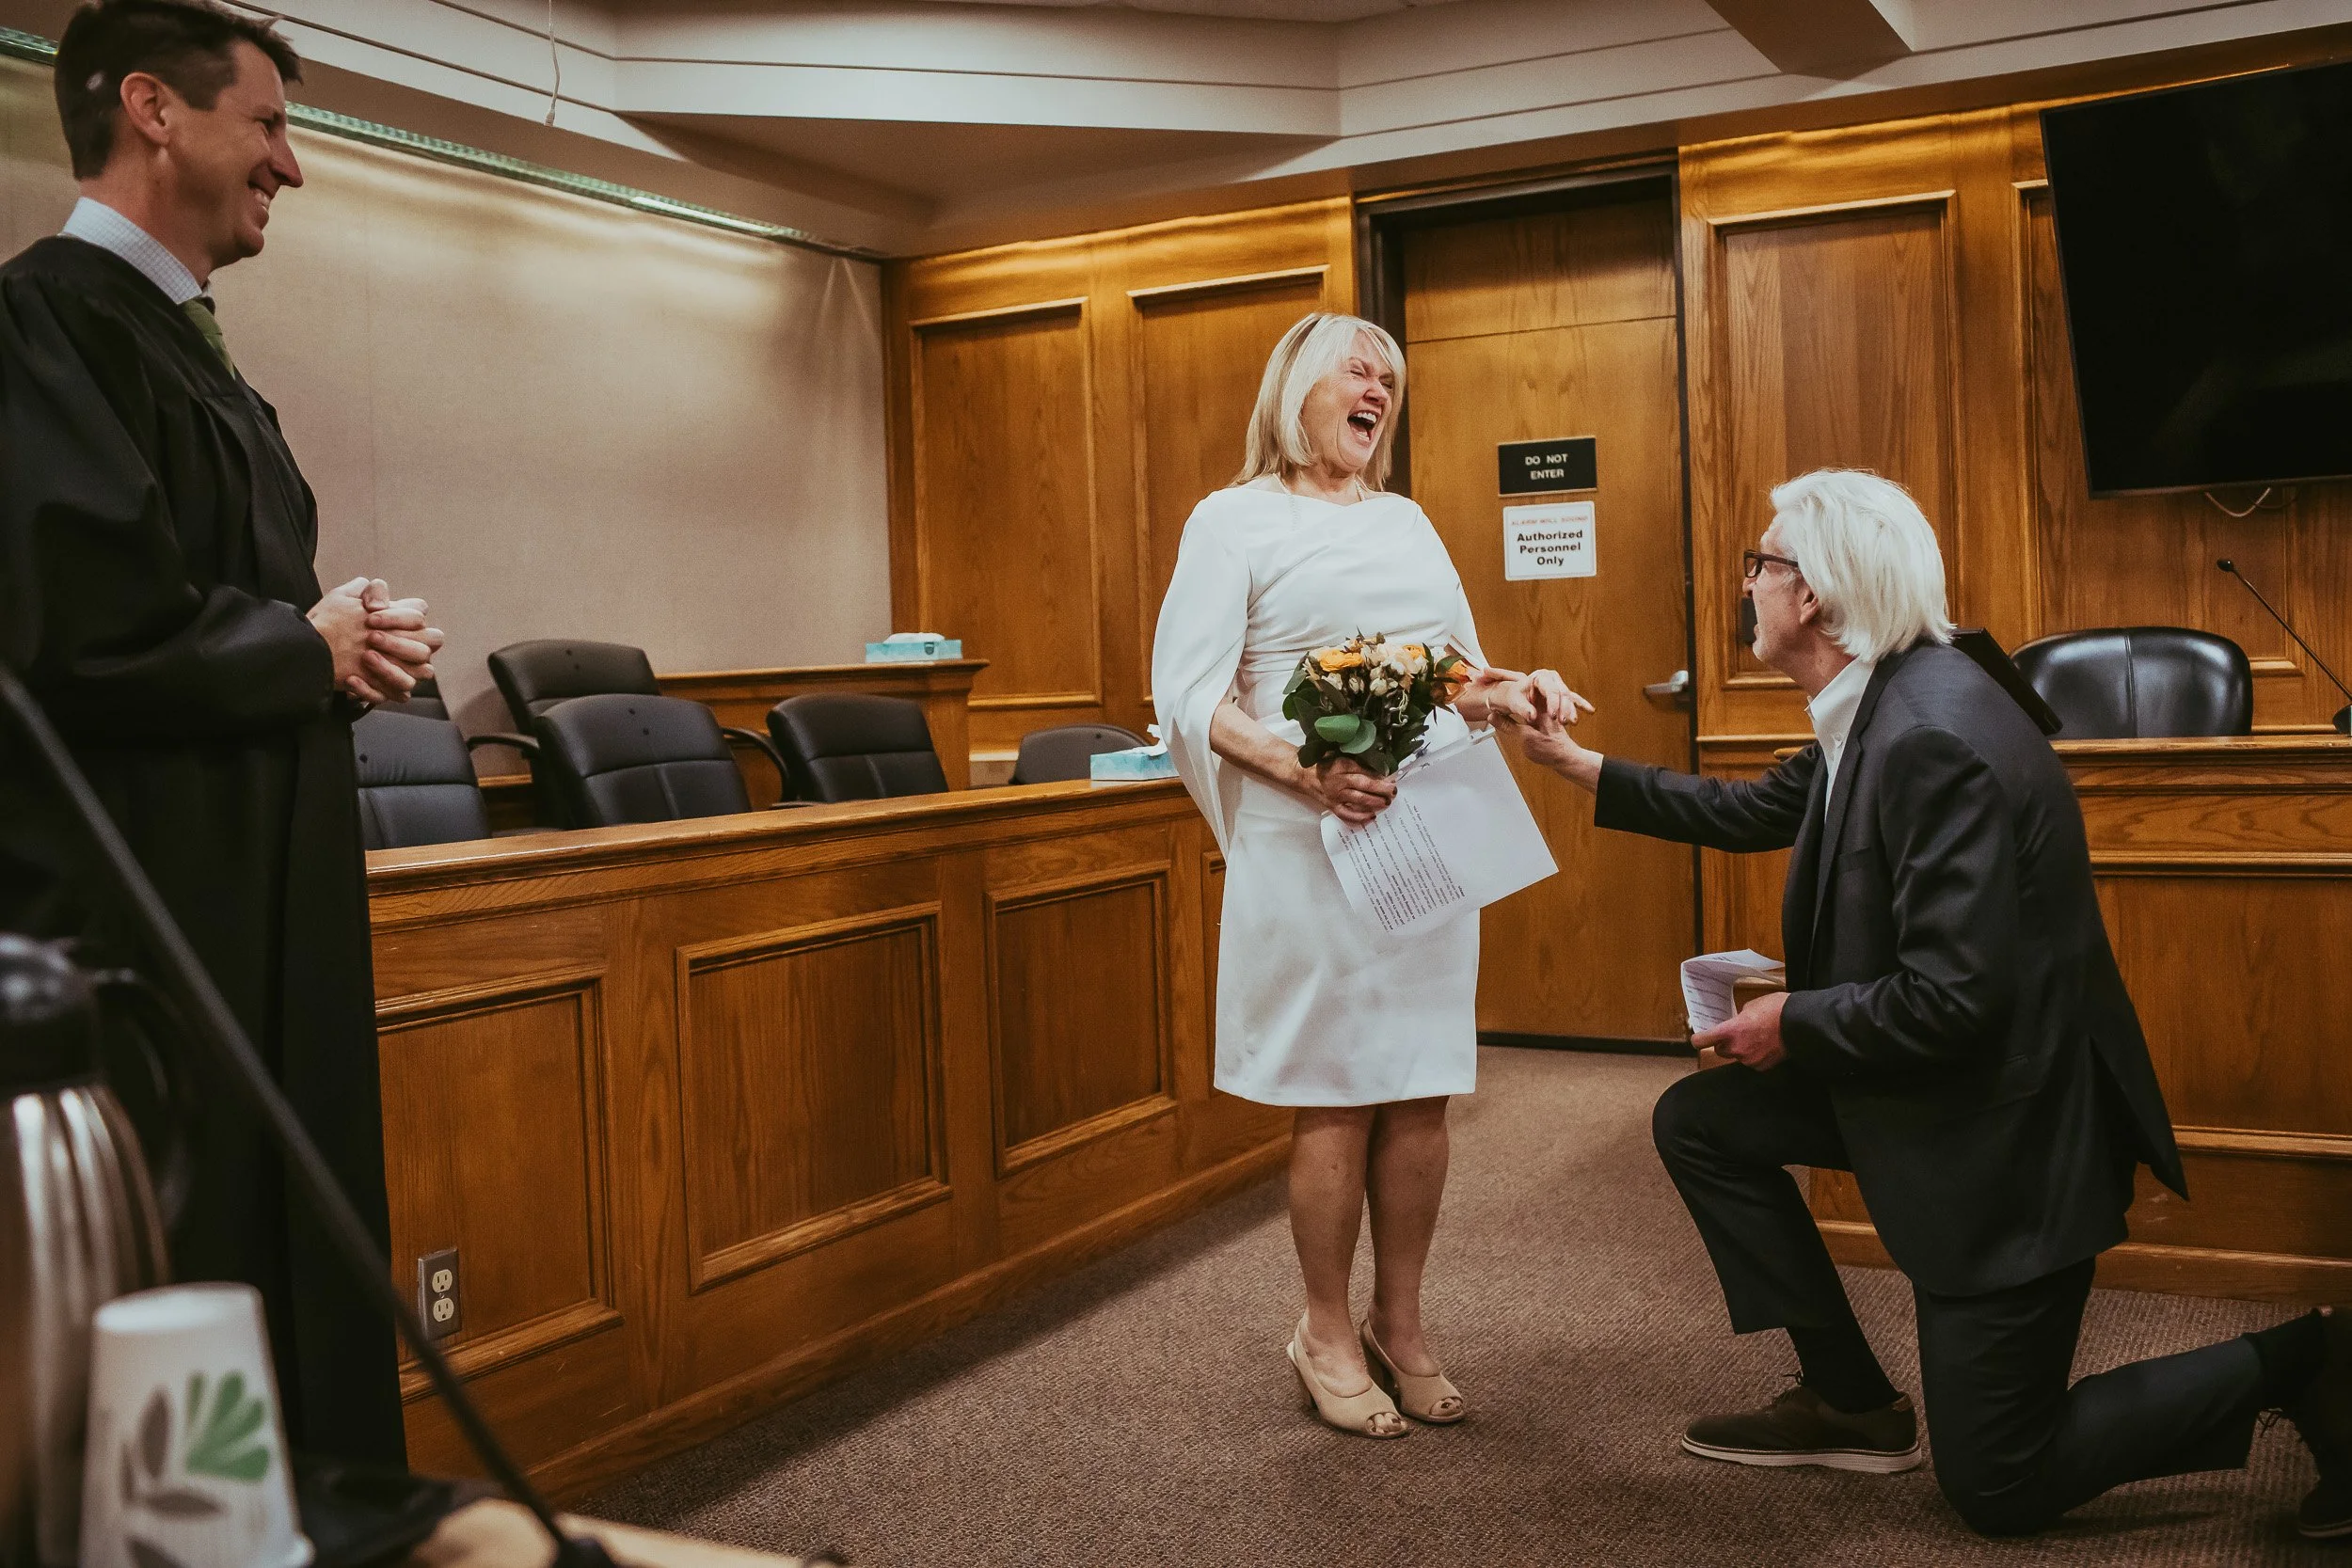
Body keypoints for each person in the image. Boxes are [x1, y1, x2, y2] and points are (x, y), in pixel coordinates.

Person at [1513, 467, 2347, 1537]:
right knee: (1703, 1122)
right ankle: (1852, 1400)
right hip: (1938, 1093)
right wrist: (1575, 764)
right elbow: (1751, 805)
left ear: (1810, 593)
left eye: (1759, 565)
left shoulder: (1929, 736)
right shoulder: (1883, 696)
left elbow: (1954, 999)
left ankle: (2313, 1355)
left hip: (2006, 1143)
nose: (1748, 586)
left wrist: (1790, 1020)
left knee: (2000, 1479)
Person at [0, 0, 442, 1464]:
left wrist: (339, 644)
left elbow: (209, 603)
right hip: (150, 919)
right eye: (269, 124)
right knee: (189, 1249)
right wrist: (295, 647)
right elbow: (82, 623)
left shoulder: (195, 355)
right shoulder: (40, 324)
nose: (293, 167)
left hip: (261, 900)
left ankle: (298, 1512)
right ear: (153, 110)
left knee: (284, 1230)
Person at [1152, 311, 1570, 1438]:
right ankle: (1323, 1328)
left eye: (1391, 375)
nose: (1378, 385)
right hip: (1307, 839)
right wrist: (1303, 770)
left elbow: (1450, 670)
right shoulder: (1230, 519)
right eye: (1359, 367)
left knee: (1421, 1085)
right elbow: (1189, 696)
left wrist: (1514, 685)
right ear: (1297, 385)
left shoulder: (1407, 518)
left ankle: (1403, 1318)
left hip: (1416, 832)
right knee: (1336, 1090)